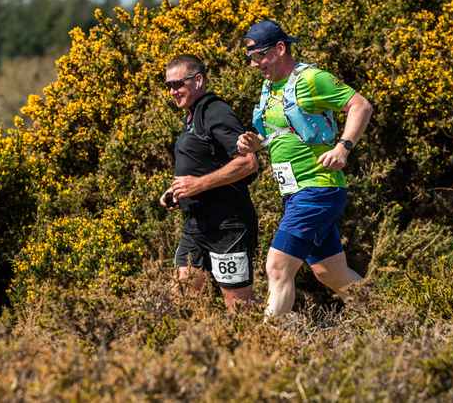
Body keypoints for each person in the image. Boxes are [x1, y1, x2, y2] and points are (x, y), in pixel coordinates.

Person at [236, 20, 373, 317]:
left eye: (259, 56)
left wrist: (343, 147)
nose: (254, 64)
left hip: (317, 188)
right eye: (250, 59)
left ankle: (266, 345)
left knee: (277, 266)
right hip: (295, 193)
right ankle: (394, 317)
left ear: (280, 49)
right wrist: (255, 143)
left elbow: (360, 105)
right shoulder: (270, 88)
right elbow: (282, 132)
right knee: (330, 273)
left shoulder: (311, 79)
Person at [160, 54, 259, 311]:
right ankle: (203, 347)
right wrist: (176, 191)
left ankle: (255, 347)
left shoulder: (216, 111)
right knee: (183, 293)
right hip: (196, 223)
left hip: (228, 225)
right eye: (168, 86)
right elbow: (204, 162)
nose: (172, 91)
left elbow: (248, 162)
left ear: (199, 80)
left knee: (239, 306)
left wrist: (198, 185)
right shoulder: (193, 114)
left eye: (178, 84)